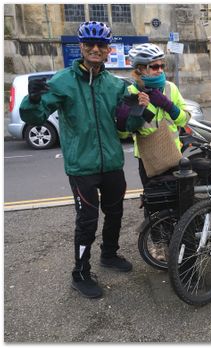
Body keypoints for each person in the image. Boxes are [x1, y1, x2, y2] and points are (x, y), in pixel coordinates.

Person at [19, 21, 132, 299]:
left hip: (113, 164)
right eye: (89, 44)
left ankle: (109, 254)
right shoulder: (62, 81)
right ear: (80, 47)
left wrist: (140, 108)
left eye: (101, 45)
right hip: (82, 166)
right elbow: (35, 117)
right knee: (87, 221)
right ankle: (80, 273)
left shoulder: (115, 84)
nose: (95, 49)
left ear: (108, 50)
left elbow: (127, 122)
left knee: (115, 213)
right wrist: (32, 101)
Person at [116, 43, 190, 260]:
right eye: (154, 66)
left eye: (161, 66)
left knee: (177, 202)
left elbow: (184, 119)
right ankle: (158, 243)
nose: (159, 70)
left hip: (174, 157)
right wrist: (137, 112)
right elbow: (125, 132)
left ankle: (178, 240)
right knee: (155, 203)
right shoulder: (130, 91)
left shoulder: (170, 88)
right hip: (148, 160)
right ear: (139, 69)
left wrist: (167, 105)